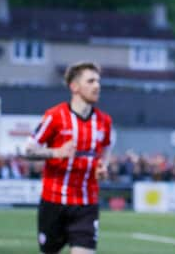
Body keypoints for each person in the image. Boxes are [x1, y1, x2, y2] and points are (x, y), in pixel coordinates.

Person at [24, 62, 112, 254]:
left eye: (98, 81)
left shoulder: (104, 121)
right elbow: (28, 150)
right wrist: (56, 152)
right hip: (53, 202)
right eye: (91, 81)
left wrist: (103, 167)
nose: (97, 86)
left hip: (86, 204)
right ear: (74, 86)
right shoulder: (55, 116)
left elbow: (106, 149)